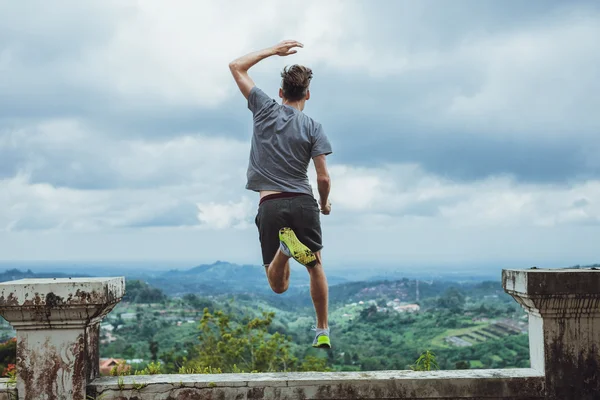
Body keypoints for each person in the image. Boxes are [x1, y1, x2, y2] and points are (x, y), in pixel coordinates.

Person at [229, 40, 333, 348]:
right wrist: (324, 204)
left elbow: (236, 65)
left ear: (280, 93)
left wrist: (274, 51)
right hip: (304, 202)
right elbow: (323, 177)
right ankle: (322, 330)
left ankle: (284, 251)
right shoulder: (314, 127)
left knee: (278, 286)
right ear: (307, 95)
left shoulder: (263, 107)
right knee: (315, 265)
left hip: (270, 203)